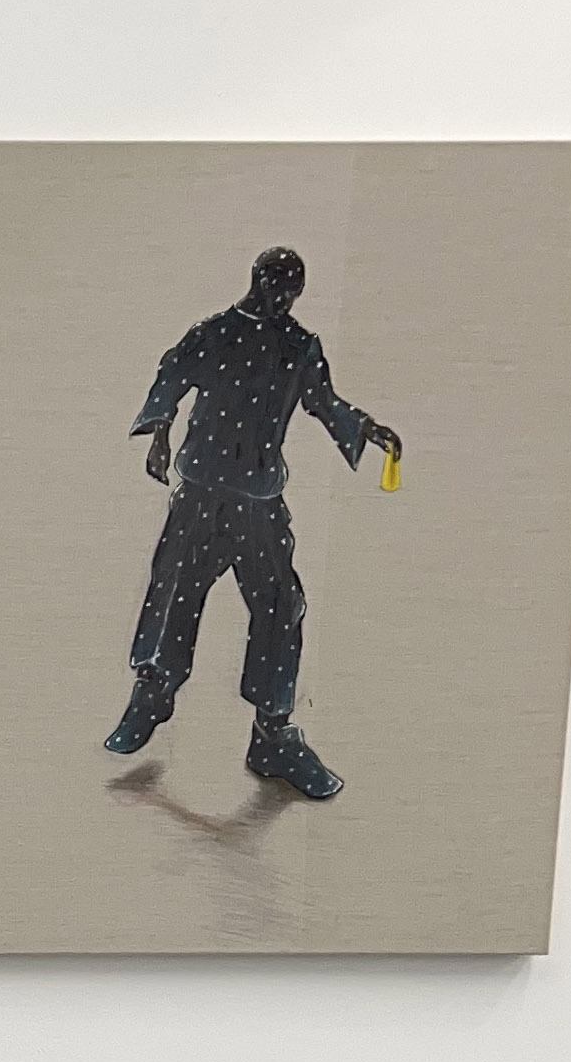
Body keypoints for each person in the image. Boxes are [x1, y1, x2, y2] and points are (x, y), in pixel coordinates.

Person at [103, 246, 400, 802]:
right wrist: (160, 434)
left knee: (282, 606)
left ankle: (273, 737)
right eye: (277, 286)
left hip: (260, 505)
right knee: (175, 591)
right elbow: (171, 373)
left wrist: (366, 428)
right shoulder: (214, 332)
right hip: (200, 496)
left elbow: (322, 401)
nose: (283, 299)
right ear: (258, 279)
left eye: (293, 291)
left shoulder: (299, 345)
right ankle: (152, 694)